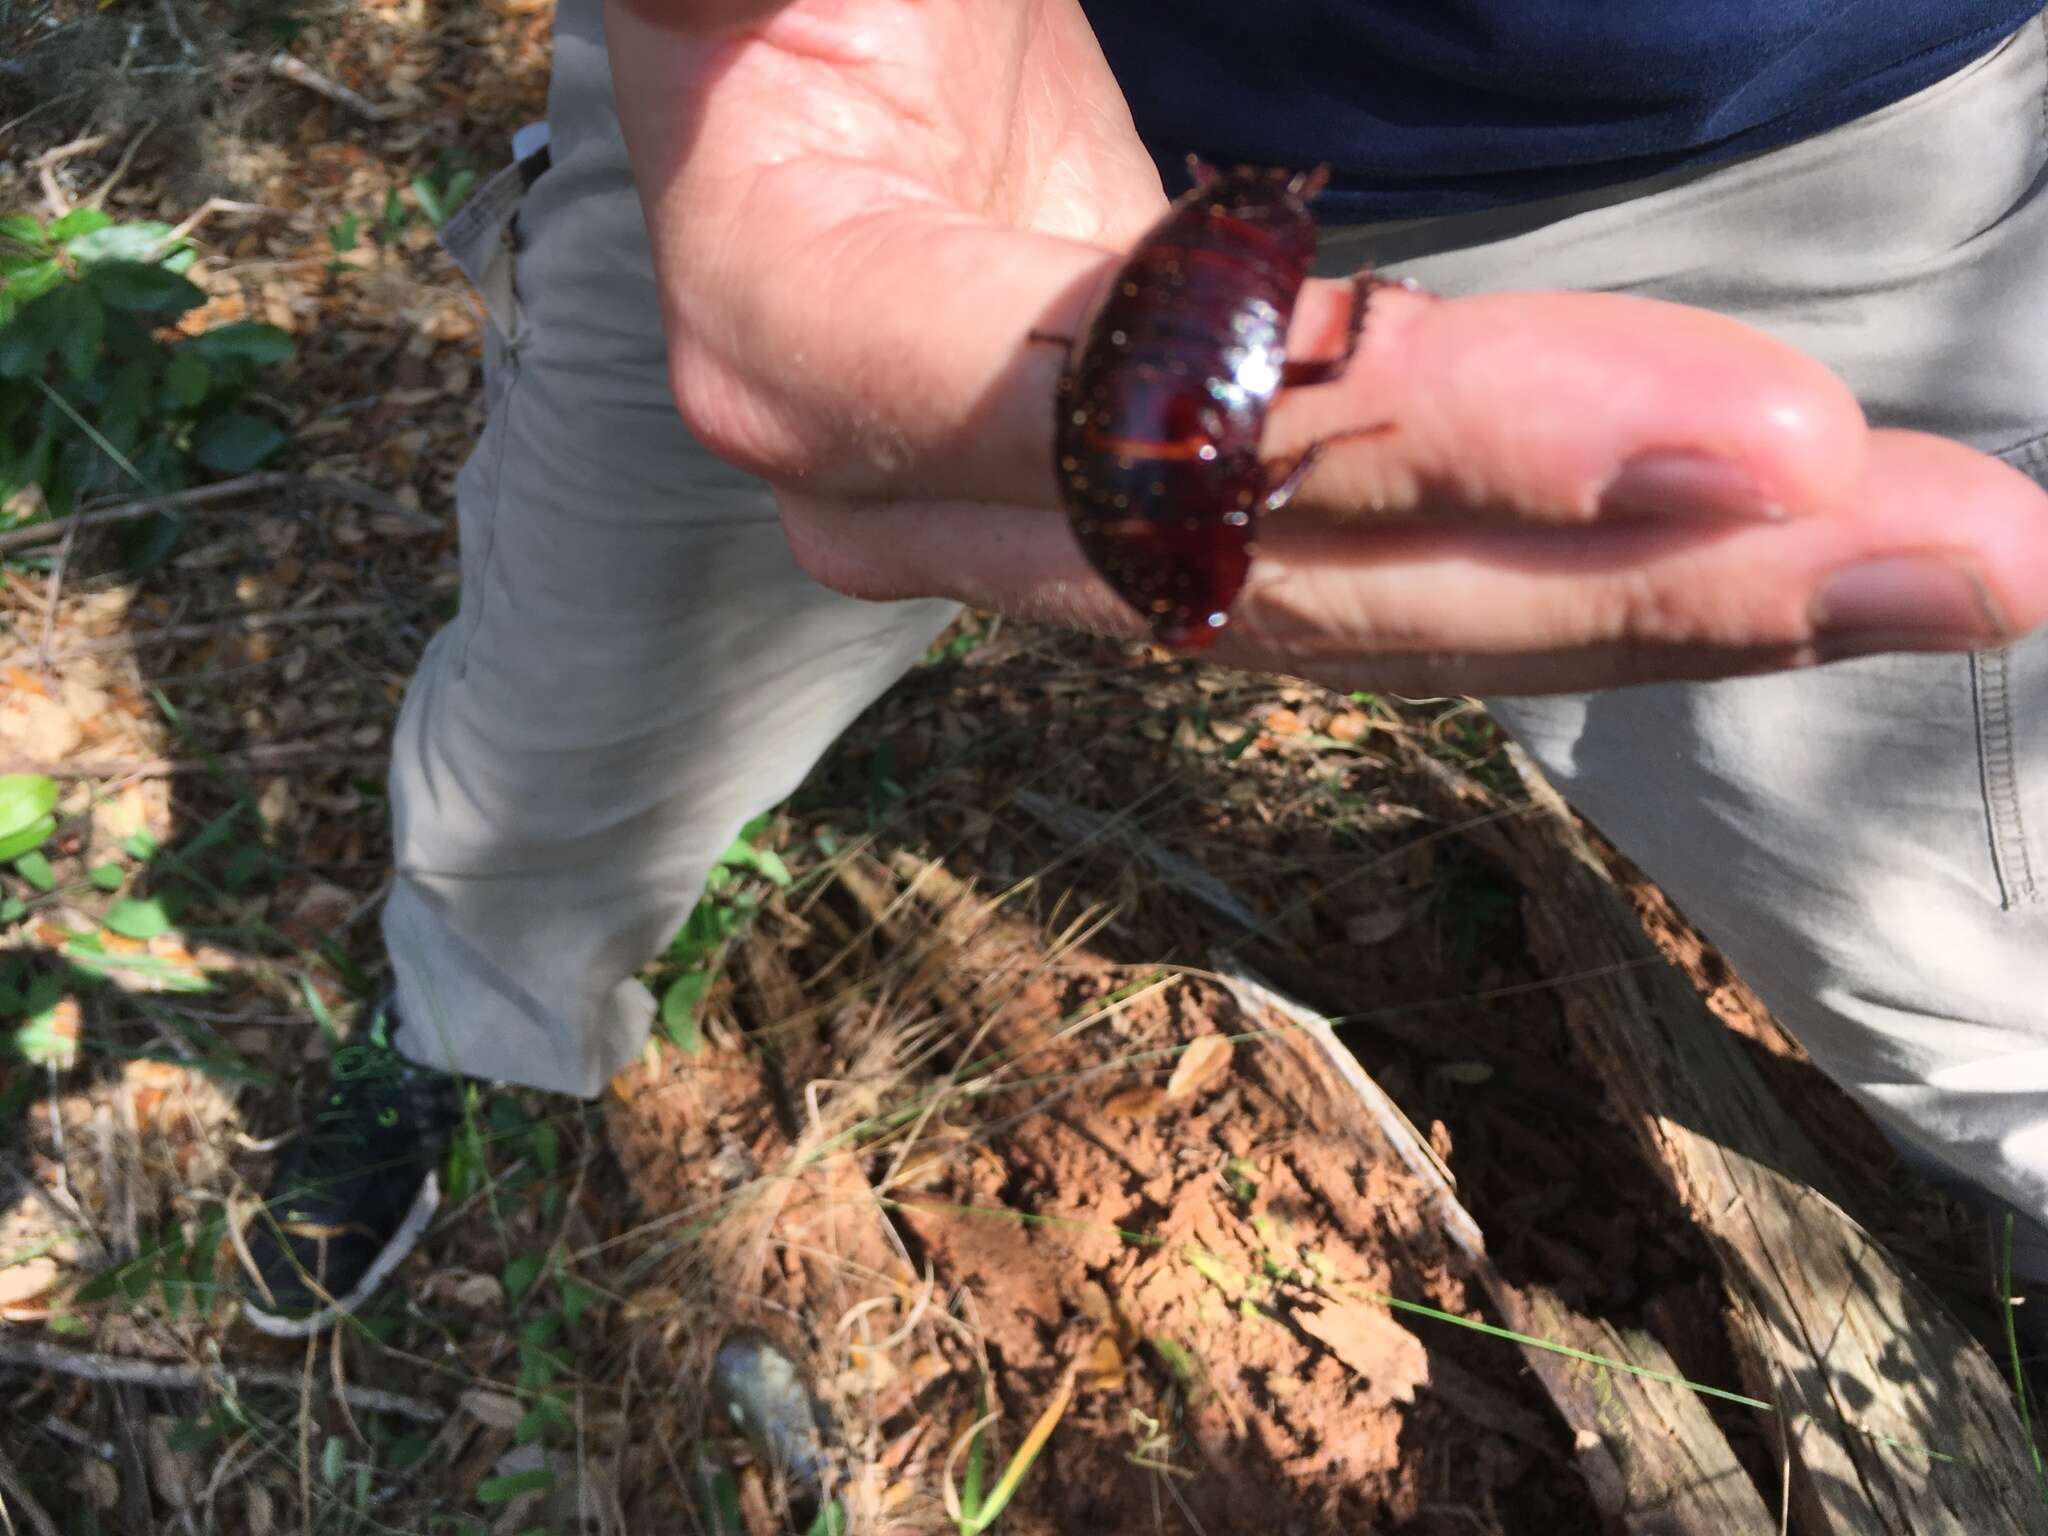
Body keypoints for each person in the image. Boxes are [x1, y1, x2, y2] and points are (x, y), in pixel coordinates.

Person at [241, 0, 2048, 1339]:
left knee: (1951, 901)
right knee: (569, 706)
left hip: (1820, 125)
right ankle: (464, 1006)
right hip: (847, 93)